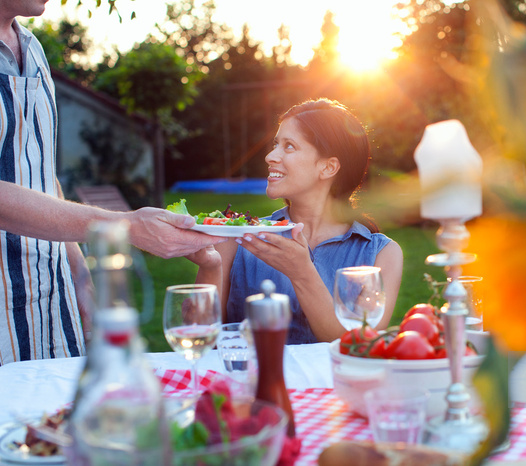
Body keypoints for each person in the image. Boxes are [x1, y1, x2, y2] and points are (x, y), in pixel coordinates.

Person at [0, 0, 226, 364]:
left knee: (59, 416)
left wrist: (78, 270)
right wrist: (124, 226)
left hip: (51, 295)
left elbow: (40, 172)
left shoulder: (34, 49)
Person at [189, 98, 403, 344]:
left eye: (288, 146)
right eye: (275, 144)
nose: (271, 156)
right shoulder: (237, 238)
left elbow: (358, 346)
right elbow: (197, 336)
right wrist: (209, 267)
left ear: (328, 167)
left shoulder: (381, 255)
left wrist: (302, 274)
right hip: (249, 381)